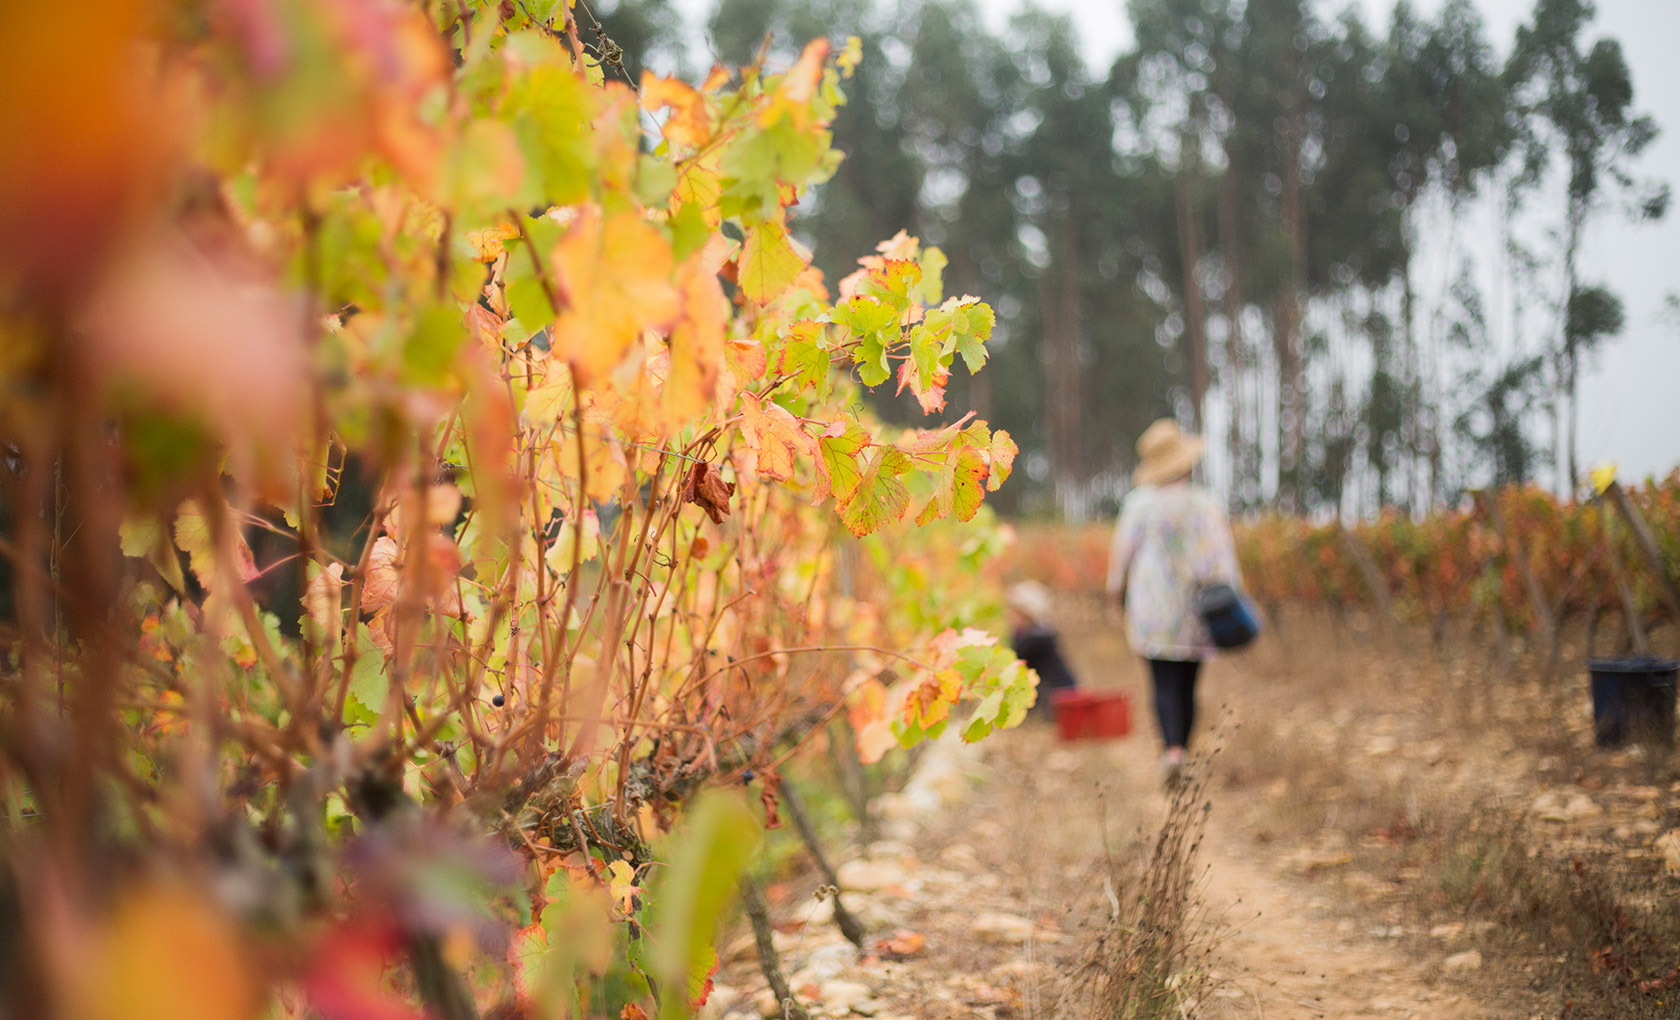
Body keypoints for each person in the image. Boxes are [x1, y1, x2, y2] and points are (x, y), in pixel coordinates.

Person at [1105, 419, 1242, 786]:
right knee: (1187, 684)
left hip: (1151, 609)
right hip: (1195, 609)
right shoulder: (1203, 504)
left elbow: (1121, 558)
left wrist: (1115, 594)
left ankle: (1172, 750)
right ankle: (1185, 751)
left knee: (1161, 681)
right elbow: (1221, 559)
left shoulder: (1139, 505)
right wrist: (1232, 596)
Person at [1005, 580, 1078, 714]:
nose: (1010, 617)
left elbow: (1014, 665)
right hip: (1060, 698)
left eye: (1015, 613)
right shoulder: (1039, 635)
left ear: (1027, 614)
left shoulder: (1035, 641)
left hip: (1059, 701)